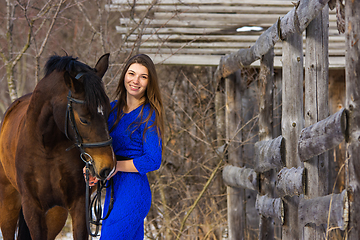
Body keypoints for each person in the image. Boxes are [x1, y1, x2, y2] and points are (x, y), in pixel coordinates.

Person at [87, 54, 164, 239]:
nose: (135, 80)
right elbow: (102, 145)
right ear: (124, 76)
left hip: (133, 192)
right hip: (114, 192)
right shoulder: (112, 110)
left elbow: (153, 160)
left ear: (149, 82)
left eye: (143, 77)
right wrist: (95, 169)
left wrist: (115, 167)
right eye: (131, 74)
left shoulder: (148, 115)